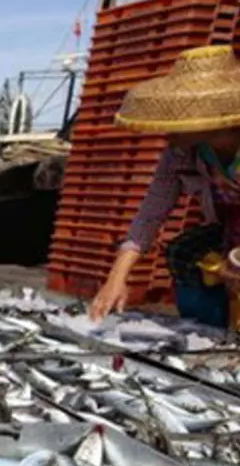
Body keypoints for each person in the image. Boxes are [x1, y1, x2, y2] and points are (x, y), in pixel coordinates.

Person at [91, 46, 240, 327]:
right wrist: (116, 278)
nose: (165, 130)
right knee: (184, 252)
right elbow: (151, 213)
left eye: (178, 119)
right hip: (230, 232)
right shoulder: (180, 153)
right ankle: (208, 333)